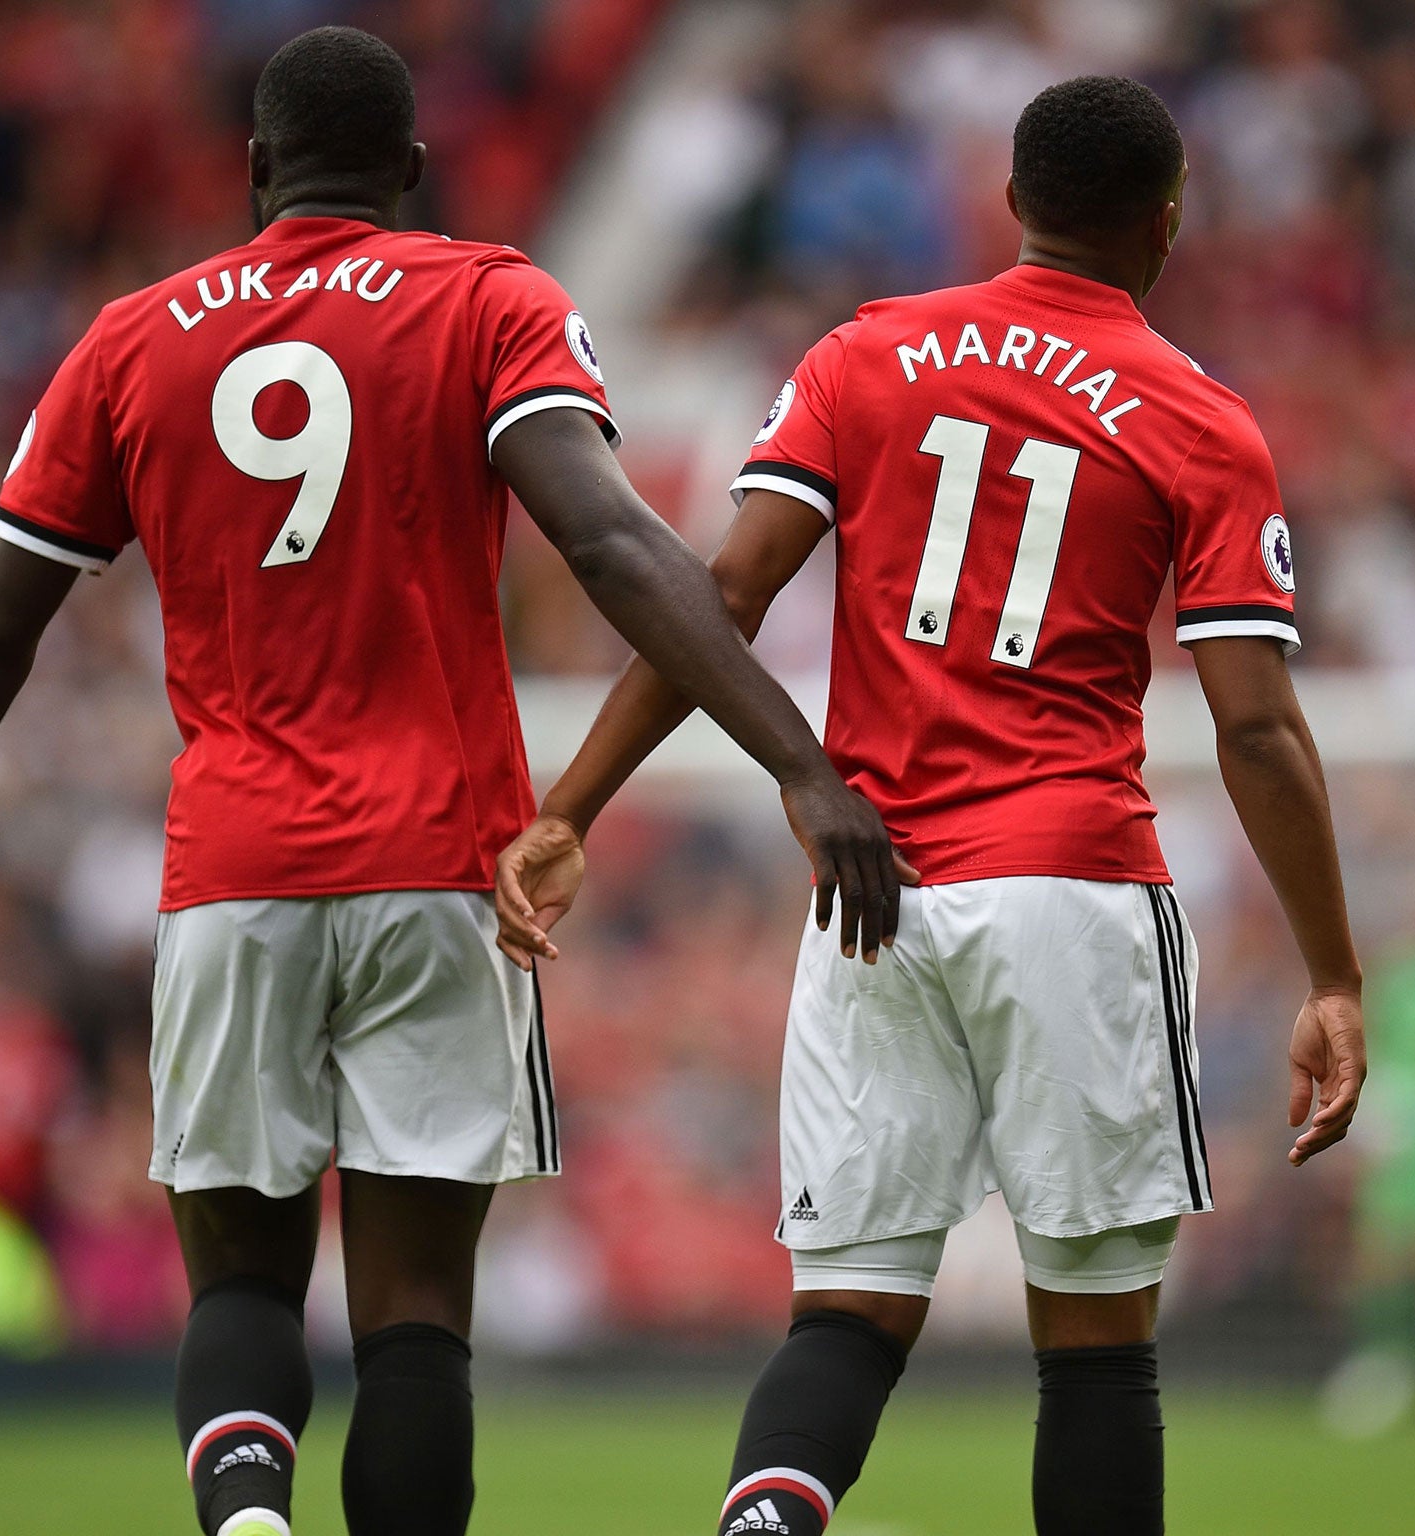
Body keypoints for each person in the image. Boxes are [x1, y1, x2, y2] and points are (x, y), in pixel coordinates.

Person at [0, 27, 900, 1536]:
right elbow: (616, 544)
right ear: (415, 174)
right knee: (417, 1321)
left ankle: (247, 1519)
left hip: (235, 870)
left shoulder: (131, 338)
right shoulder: (488, 296)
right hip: (444, 869)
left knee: (240, 1287)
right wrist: (798, 760)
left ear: (254, 173)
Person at [495, 75, 1367, 1536]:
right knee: (1096, 1345)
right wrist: (1333, 969)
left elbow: (718, 599)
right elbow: (1258, 727)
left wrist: (571, 803)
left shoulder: (868, 355)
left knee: (844, 1317)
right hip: (1074, 889)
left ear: (1012, 202)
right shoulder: (1202, 419)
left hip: (875, 902)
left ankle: (765, 1522)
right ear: (1166, 222)